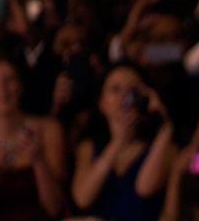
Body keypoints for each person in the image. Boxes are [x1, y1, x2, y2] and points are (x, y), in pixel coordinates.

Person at [71, 65, 175, 221]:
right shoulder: (88, 147)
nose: (125, 97)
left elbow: (145, 188)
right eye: (115, 89)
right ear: (102, 103)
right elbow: (82, 199)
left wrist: (164, 125)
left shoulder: (160, 146)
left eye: (132, 90)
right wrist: (118, 142)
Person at [0, 52, 66, 221]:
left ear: (20, 85)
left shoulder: (49, 129)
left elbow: (55, 208)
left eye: (9, 80)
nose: (2, 89)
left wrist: (38, 160)